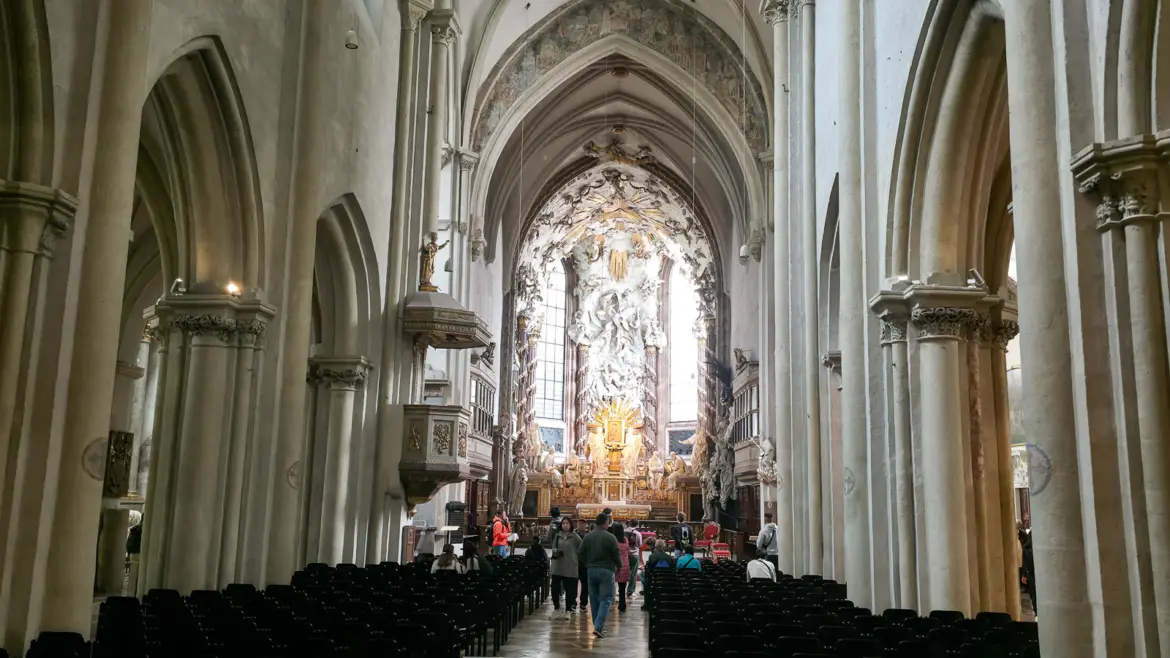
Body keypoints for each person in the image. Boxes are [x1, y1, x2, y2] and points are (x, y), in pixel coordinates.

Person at [578, 512, 622, 638]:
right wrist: (619, 566)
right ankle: (598, 626)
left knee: (594, 598)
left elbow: (580, 552)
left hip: (591, 570)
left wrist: (587, 563)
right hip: (606, 570)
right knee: (606, 598)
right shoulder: (610, 537)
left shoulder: (588, 536)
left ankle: (597, 625)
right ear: (605, 523)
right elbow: (616, 554)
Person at [550, 517, 582, 617]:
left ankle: (568, 610)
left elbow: (581, 547)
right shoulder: (558, 536)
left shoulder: (575, 536)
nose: (565, 525)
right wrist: (555, 551)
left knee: (570, 590)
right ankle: (556, 608)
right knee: (555, 588)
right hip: (558, 566)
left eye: (567, 523)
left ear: (570, 525)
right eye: (563, 523)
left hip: (570, 566)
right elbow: (554, 547)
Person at [611, 523, 632, 612]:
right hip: (625, 564)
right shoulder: (625, 540)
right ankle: (622, 605)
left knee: (611, 584)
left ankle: (611, 601)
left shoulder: (613, 541)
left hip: (616, 564)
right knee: (622, 587)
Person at [625, 526, 644, 597]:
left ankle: (621, 589)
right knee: (633, 573)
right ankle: (630, 591)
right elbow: (640, 545)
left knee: (623, 572)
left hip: (625, 554)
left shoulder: (624, 531)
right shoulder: (638, 533)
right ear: (637, 524)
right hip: (634, 554)